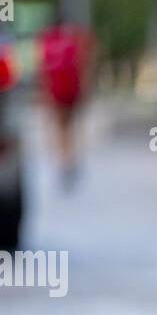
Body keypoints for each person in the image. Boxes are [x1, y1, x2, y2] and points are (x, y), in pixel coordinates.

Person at [37, 17, 95, 191]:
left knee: (60, 129)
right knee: (72, 127)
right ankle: (71, 162)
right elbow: (85, 64)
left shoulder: (47, 40)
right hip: (73, 90)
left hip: (56, 91)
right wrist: (86, 90)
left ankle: (64, 162)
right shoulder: (76, 39)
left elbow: (43, 70)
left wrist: (43, 95)